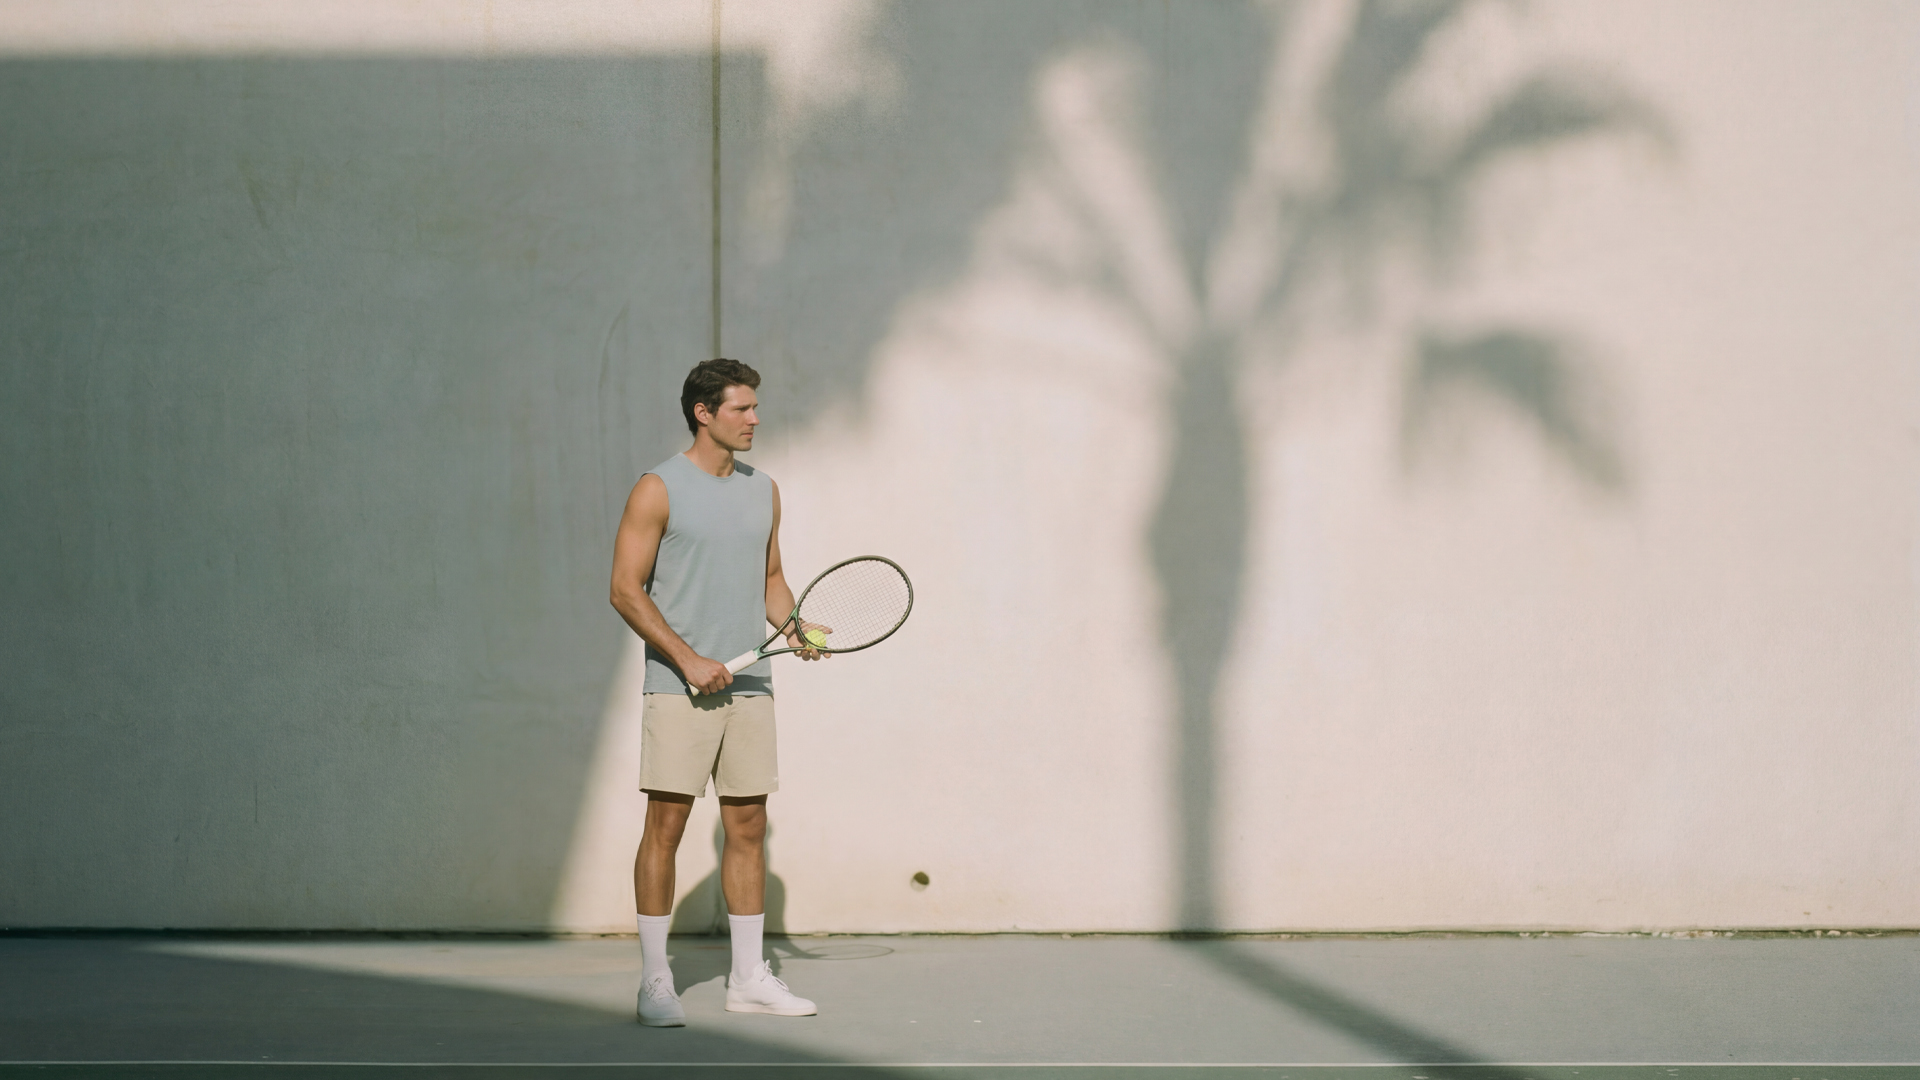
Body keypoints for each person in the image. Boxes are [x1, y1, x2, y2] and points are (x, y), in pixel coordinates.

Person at [609, 358, 823, 1027]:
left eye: (756, 407)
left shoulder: (765, 490)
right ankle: (654, 982)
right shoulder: (657, 488)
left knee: (748, 826)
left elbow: (774, 577)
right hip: (678, 688)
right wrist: (686, 657)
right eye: (742, 408)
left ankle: (749, 978)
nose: (755, 419)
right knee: (665, 827)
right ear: (704, 412)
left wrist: (793, 625)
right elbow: (624, 588)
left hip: (751, 685)